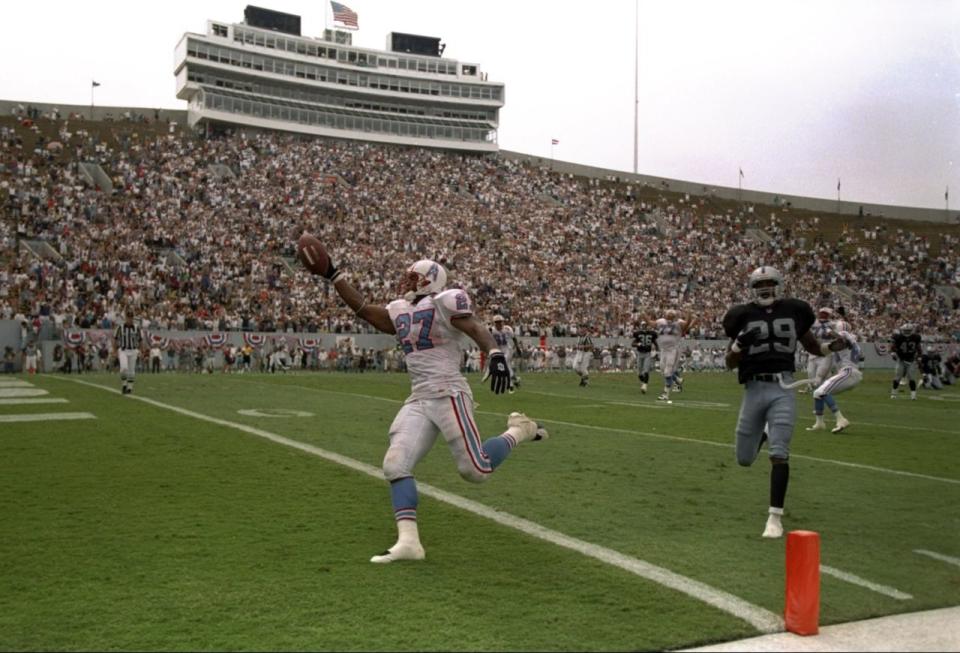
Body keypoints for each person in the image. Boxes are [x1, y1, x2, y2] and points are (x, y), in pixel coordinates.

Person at [313, 253, 548, 563]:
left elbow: (475, 326)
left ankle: (519, 430)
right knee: (395, 464)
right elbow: (363, 310)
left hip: (449, 392)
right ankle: (409, 542)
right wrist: (333, 275)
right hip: (420, 397)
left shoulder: (445, 302)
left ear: (430, 281)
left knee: (475, 471)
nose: (406, 282)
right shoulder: (399, 310)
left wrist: (494, 353)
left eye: (413, 277)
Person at [723, 266, 847, 539]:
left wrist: (831, 347)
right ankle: (763, 435)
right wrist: (738, 346)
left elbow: (813, 347)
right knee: (744, 458)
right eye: (760, 284)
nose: (765, 288)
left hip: (784, 386)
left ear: (779, 285)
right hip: (754, 388)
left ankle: (774, 518)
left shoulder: (794, 310)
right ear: (752, 288)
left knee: (779, 453)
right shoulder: (740, 316)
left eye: (770, 283)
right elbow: (729, 363)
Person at [808, 322, 862, 433]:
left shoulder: (845, 335)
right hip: (848, 372)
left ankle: (841, 419)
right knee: (818, 393)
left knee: (823, 392)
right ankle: (819, 423)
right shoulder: (850, 342)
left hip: (848, 371)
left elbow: (842, 336)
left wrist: (828, 331)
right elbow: (860, 356)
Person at [654, 309, 695, 402]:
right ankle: (677, 379)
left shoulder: (678, 323)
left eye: (670, 315)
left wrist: (689, 315)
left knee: (668, 371)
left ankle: (666, 394)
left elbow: (687, 326)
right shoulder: (663, 323)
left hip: (673, 349)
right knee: (663, 370)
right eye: (668, 314)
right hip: (664, 349)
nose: (669, 316)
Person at [113, 309, 142, 395]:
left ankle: (130, 387)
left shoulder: (136, 328)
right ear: (125, 318)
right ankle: (124, 384)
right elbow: (115, 339)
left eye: (131, 318)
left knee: (131, 370)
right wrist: (114, 351)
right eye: (128, 318)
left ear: (133, 318)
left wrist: (140, 350)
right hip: (123, 350)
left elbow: (140, 340)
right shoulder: (120, 327)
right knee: (124, 368)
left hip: (133, 350)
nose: (130, 319)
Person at [491, 314, 522, 393]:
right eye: (497, 322)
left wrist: (518, 348)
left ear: (503, 322)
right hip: (498, 350)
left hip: (507, 349)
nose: (499, 324)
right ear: (494, 323)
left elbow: (514, 338)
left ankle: (511, 386)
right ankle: (515, 379)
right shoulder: (492, 330)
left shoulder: (507, 329)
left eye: (500, 322)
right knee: (506, 366)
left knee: (504, 363)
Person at [890, 323, 921, 399]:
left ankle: (913, 395)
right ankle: (893, 394)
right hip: (901, 359)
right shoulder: (898, 337)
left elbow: (918, 347)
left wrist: (920, 355)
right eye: (905, 331)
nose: (907, 332)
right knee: (897, 377)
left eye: (908, 331)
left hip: (911, 360)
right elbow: (893, 347)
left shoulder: (916, 337)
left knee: (912, 378)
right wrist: (893, 353)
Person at [630, 319, 657, 394]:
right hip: (640, 353)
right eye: (643, 325)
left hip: (647, 354)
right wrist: (638, 344)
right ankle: (643, 383)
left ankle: (645, 386)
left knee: (646, 371)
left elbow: (655, 342)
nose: (644, 326)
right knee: (639, 373)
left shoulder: (652, 333)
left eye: (646, 325)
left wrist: (657, 350)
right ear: (641, 326)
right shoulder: (638, 333)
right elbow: (632, 344)